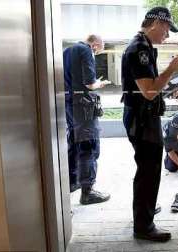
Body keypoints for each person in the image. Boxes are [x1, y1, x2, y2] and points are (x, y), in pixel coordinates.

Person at [121, 7, 178, 242]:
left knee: (147, 170)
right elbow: (149, 92)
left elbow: (149, 87)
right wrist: (171, 70)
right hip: (142, 120)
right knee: (148, 172)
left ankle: (144, 212)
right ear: (157, 23)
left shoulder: (144, 45)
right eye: (167, 29)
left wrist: (169, 79)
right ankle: (143, 226)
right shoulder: (139, 48)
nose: (167, 35)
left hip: (144, 117)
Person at [63, 34, 111, 205]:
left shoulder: (67, 50)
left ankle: (71, 182)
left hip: (69, 104)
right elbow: (90, 84)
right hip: (83, 106)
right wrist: (100, 84)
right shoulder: (86, 50)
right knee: (89, 145)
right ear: (96, 45)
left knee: (74, 142)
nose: (96, 53)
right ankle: (87, 191)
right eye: (99, 50)